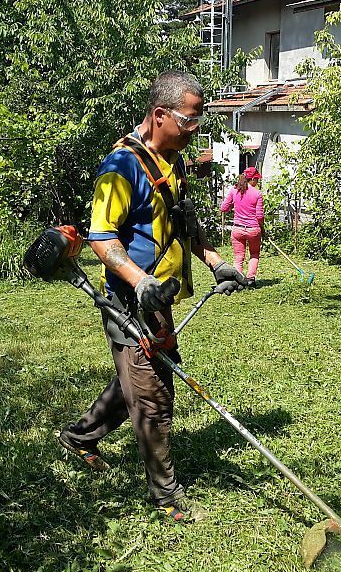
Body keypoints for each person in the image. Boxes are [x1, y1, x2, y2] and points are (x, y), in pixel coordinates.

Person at [57, 71, 247, 523]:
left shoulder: (172, 160)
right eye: (189, 120)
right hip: (130, 301)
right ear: (160, 115)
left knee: (138, 381)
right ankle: (166, 495)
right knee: (156, 395)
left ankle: (80, 438)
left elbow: (182, 221)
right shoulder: (120, 168)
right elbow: (101, 239)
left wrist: (214, 260)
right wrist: (139, 281)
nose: (195, 129)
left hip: (159, 300)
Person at [220, 166, 264, 288]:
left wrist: (234, 207)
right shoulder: (257, 193)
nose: (258, 182)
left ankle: (237, 281)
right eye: (257, 179)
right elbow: (259, 216)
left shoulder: (235, 190)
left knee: (239, 257)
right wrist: (262, 229)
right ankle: (250, 279)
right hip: (253, 229)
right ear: (253, 179)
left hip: (238, 229)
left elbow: (223, 208)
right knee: (254, 254)